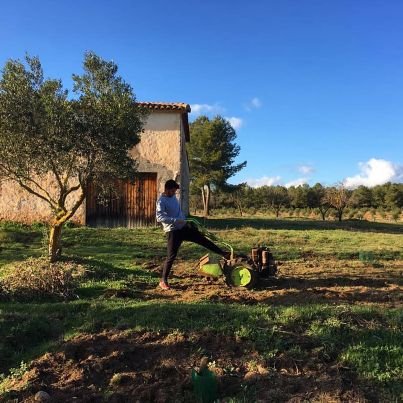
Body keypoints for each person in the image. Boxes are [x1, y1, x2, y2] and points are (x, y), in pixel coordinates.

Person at [156, 179, 229, 290]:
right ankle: (163, 281)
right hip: (173, 231)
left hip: (183, 227)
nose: (174, 193)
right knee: (171, 256)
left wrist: (186, 221)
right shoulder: (161, 201)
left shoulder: (174, 198)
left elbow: (179, 212)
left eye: (175, 191)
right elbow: (159, 217)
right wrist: (176, 220)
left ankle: (223, 253)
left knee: (202, 238)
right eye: (173, 191)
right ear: (167, 189)